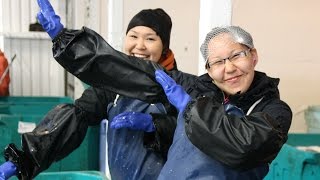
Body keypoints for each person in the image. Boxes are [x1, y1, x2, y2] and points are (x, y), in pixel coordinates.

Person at [31, 5, 292, 179]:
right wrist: (69, 43)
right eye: (218, 63)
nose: (230, 68)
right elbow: (123, 71)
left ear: (253, 56)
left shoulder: (273, 111)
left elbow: (242, 145)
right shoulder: (197, 87)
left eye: (237, 56)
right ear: (208, 70)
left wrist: (180, 113)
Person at [1, 1, 179, 180]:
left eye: (150, 38)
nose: (140, 45)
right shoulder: (113, 86)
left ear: (164, 46)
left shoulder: (178, 87)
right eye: (133, 36)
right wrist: (27, 157)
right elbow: (77, 115)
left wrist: (157, 125)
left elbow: (193, 132)